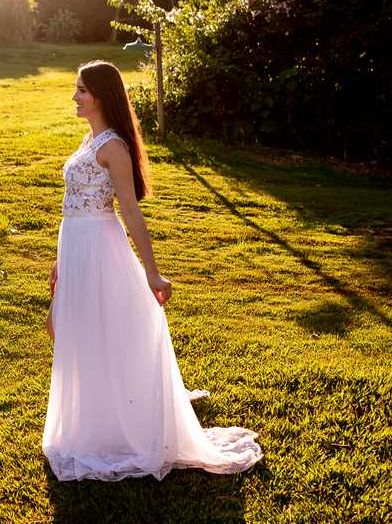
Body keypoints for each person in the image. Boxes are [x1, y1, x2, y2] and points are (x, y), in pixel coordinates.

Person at [42, 60, 264, 481]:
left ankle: (115, 423)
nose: (74, 96)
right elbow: (75, 205)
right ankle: (100, 414)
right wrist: (61, 260)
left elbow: (129, 210)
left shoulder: (113, 147)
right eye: (76, 89)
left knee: (90, 328)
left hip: (100, 248)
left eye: (81, 91)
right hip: (76, 246)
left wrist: (153, 273)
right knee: (65, 327)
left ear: (101, 97)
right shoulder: (89, 139)